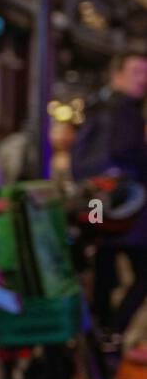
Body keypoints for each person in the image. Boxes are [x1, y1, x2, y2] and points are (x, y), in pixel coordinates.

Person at [70, 52, 147, 347]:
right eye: (136, 72)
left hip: (98, 201)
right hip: (119, 203)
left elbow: (83, 162)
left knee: (102, 260)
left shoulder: (100, 107)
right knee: (135, 268)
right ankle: (111, 330)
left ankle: (101, 330)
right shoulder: (122, 110)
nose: (142, 79)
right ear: (117, 75)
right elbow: (125, 153)